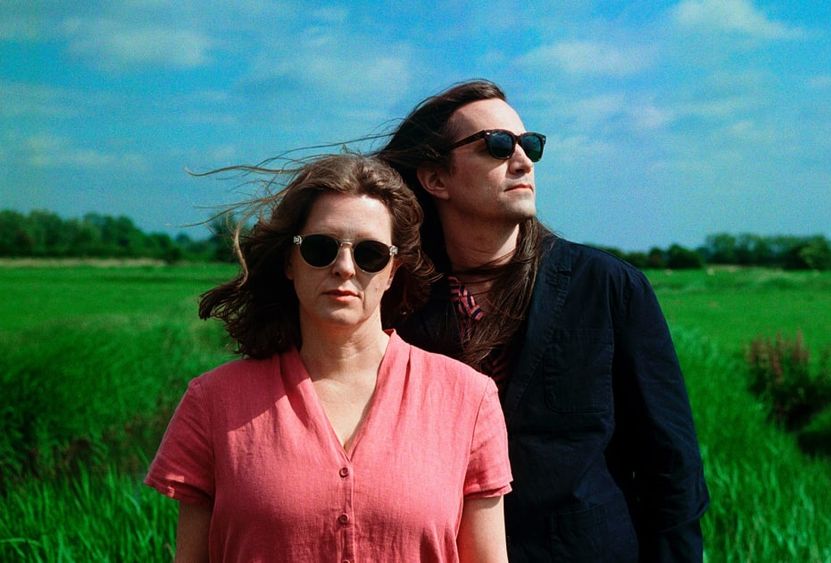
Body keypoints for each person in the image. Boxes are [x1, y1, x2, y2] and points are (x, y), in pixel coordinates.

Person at [376, 80, 709, 562]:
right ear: (435, 179)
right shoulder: (398, 300)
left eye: (530, 145)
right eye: (497, 145)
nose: (523, 161)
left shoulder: (607, 287)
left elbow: (672, 466)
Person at [145, 154, 512, 562]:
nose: (344, 267)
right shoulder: (214, 402)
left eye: (370, 254)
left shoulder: (468, 400)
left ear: (393, 270)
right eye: (321, 248)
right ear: (290, 260)